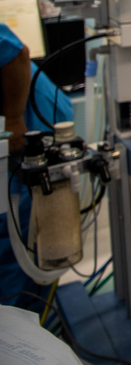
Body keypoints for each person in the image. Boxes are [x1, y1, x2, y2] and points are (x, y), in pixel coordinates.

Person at [0, 21, 75, 309]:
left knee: (19, 236)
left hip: (28, 123)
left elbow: (15, 53)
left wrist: (13, 120)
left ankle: (25, 323)